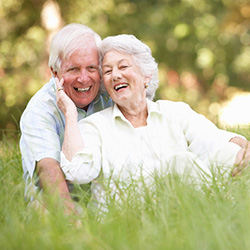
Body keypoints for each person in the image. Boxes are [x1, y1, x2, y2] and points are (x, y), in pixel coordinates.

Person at [56, 34, 250, 211]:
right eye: (107, 71)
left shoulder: (174, 112)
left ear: (146, 76)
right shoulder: (95, 126)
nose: (115, 75)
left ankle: (229, 213)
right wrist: (70, 114)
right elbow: (78, 172)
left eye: (123, 67)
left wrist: (243, 147)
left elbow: (215, 140)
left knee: (229, 153)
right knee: (180, 162)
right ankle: (219, 209)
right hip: (130, 217)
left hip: (185, 205)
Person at [19, 23, 113, 214]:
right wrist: (72, 219)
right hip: (54, 196)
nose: (84, 78)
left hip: (103, 194)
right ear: (55, 72)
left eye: (92, 68)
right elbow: (48, 169)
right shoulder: (40, 110)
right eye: (73, 70)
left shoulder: (110, 95)